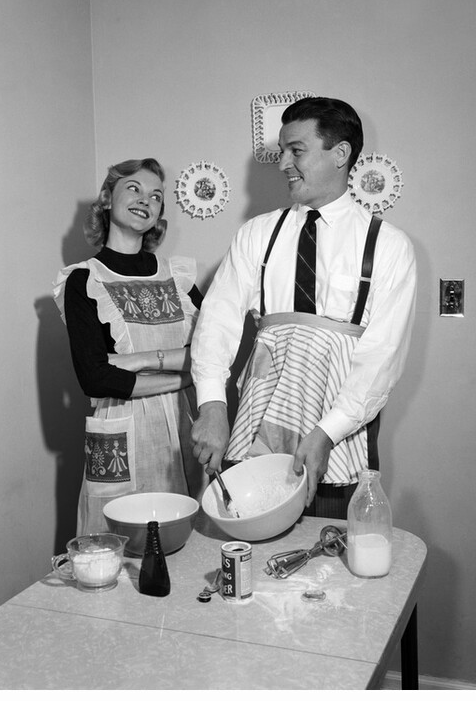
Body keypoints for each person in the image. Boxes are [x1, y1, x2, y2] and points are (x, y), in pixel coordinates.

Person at [190, 97, 417, 517]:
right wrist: (212, 407)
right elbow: (216, 322)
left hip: (340, 435)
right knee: (251, 540)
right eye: (282, 151)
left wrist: (327, 433)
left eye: (296, 150)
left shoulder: (388, 245)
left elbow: (382, 356)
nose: (283, 164)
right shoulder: (257, 234)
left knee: (331, 547)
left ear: (340, 153)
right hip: (256, 426)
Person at [53, 157, 205, 534]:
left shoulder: (178, 278)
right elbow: (96, 378)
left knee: (188, 534)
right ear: (107, 198)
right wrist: (184, 376)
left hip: (183, 425)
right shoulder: (84, 281)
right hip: (121, 429)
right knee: (118, 542)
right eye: (133, 188)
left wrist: (136, 361)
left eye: (156, 196)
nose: (145, 200)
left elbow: (211, 354)